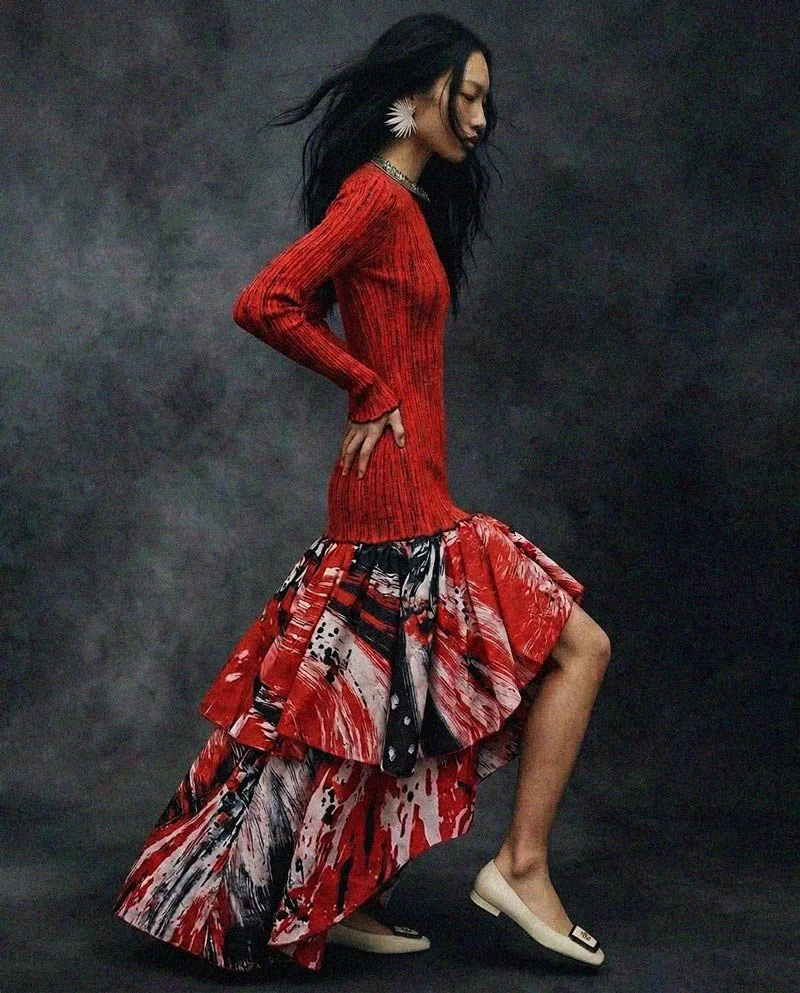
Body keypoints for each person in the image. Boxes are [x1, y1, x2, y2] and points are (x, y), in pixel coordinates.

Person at [112, 12, 611, 976]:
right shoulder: (375, 197)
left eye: (486, 100)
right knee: (576, 646)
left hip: (410, 495)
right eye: (467, 96)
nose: (481, 117)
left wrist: (381, 386)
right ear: (417, 92)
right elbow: (264, 300)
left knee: (376, 704)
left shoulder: (406, 204)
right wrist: (367, 385)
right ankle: (521, 865)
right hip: (396, 502)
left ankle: (345, 894)